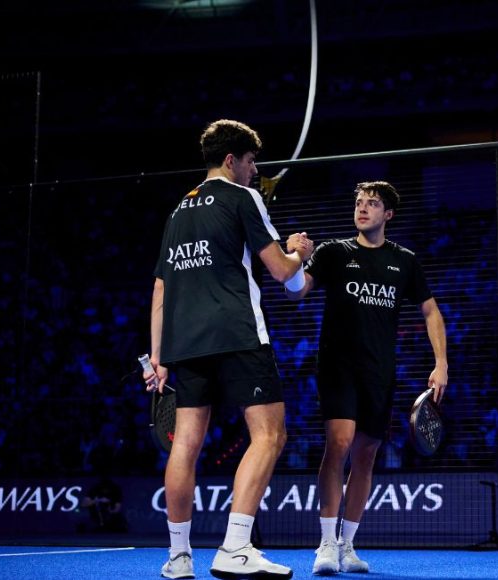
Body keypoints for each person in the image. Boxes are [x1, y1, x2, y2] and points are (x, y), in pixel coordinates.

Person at [143, 119, 313, 580]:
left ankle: (179, 558)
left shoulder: (179, 209)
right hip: (237, 333)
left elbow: (160, 288)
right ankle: (236, 546)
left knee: (186, 446)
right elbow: (281, 272)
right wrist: (301, 251)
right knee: (270, 435)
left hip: (184, 342)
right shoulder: (243, 197)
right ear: (231, 160)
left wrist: (157, 357)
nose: (256, 170)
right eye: (252, 161)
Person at [285, 181, 447, 575]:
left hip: (380, 370)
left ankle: (348, 546)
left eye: (372, 203)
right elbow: (297, 292)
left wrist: (441, 363)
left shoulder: (404, 261)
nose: (363, 208)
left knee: (366, 455)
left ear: (388, 214)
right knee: (338, 444)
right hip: (338, 366)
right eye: (358, 202)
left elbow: (430, 311)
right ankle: (325, 544)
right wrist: (293, 258)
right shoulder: (334, 253)